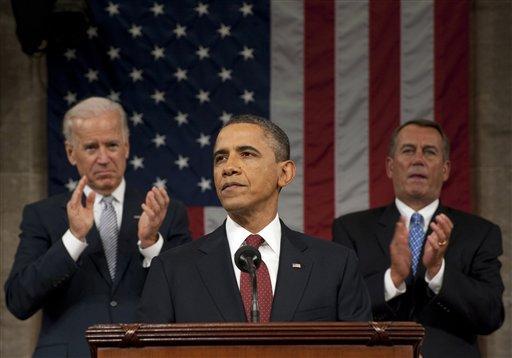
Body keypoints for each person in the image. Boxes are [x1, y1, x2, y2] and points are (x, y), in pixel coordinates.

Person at [138, 114, 372, 323]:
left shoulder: (335, 266)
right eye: (220, 158)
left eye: (246, 154)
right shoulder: (172, 270)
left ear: (284, 173)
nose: (228, 168)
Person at [4, 97, 191, 357]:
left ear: (126, 147)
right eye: (91, 147)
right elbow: (18, 301)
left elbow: (190, 300)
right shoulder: (42, 215)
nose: (103, 158)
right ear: (71, 153)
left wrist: (151, 243)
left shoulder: (166, 212)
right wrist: (73, 238)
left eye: (112, 145)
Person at [332, 119, 504, 357]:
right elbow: (340, 309)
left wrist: (438, 272)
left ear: (445, 170)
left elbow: (491, 316)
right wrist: (392, 279)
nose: (418, 160)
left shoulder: (480, 233)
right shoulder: (351, 229)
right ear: (390, 167)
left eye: (430, 152)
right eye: (408, 150)